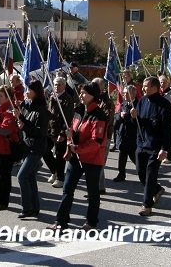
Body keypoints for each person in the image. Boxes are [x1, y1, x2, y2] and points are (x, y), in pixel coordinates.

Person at [48, 81, 107, 231]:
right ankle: (61, 221)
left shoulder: (99, 115)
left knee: (93, 193)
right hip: (76, 157)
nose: (80, 95)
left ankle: (91, 222)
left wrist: (77, 148)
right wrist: (70, 136)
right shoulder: (78, 111)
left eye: (84, 93)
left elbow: (96, 141)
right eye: (80, 92)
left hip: (92, 159)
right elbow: (73, 131)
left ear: (93, 96)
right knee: (67, 189)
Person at [131, 76, 171, 216]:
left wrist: (165, 149)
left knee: (150, 175)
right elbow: (138, 124)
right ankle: (157, 190)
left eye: (146, 86)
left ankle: (146, 204)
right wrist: (134, 117)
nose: (143, 88)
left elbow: (168, 130)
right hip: (141, 144)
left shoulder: (164, 105)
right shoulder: (141, 101)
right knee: (140, 172)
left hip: (156, 147)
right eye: (143, 85)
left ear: (154, 88)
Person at [14, 80, 49, 218]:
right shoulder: (28, 106)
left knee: (21, 176)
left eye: (29, 90)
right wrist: (19, 115)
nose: (26, 92)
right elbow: (26, 122)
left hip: (37, 147)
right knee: (30, 177)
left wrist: (24, 126)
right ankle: (34, 207)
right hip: (27, 145)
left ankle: (26, 207)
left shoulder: (41, 109)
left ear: (36, 92)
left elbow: (41, 131)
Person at [43, 76, 74, 189]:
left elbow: (68, 118)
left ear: (64, 86)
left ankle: (61, 178)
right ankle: (54, 171)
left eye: (59, 84)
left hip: (59, 131)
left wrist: (62, 133)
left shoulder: (67, 99)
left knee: (60, 156)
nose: (56, 86)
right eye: (55, 84)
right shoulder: (52, 97)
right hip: (49, 130)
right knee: (44, 150)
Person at [113, 84, 139, 182]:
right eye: (123, 93)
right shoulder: (124, 104)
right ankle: (121, 174)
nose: (124, 95)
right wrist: (121, 116)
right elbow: (117, 115)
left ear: (133, 94)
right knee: (122, 156)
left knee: (134, 156)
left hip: (132, 136)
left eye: (126, 93)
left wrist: (126, 117)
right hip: (123, 134)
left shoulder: (137, 104)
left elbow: (137, 121)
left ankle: (144, 171)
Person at [93, 77, 114, 193]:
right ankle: (100, 186)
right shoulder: (95, 99)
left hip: (105, 135)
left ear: (101, 87)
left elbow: (108, 119)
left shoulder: (107, 101)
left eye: (95, 86)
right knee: (97, 162)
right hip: (96, 134)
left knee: (99, 162)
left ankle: (97, 187)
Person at [158, 75, 171, 163]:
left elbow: (169, 104)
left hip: (168, 118)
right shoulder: (157, 92)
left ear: (168, 83)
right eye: (161, 82)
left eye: (164, 82)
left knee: (167, 136)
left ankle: (168, 155)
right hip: (158, 118)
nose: (162, 84)